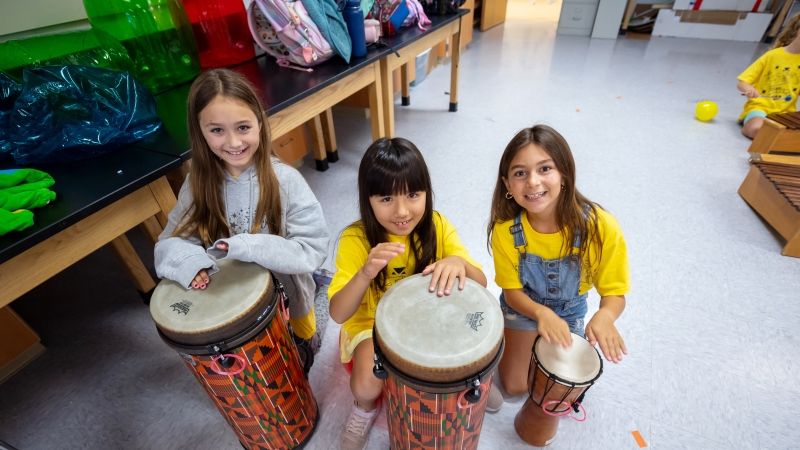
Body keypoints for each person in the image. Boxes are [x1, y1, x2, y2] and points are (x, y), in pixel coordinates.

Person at [154, 69, 328, 367]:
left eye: (243, 127)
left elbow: (312, 249)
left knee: (304, 343)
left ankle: (322, 290)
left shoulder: (286, 180)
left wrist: (248, 246)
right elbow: (170, 241)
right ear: (199, 131)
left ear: (260, 123)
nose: (233, 142)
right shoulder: (197, 181)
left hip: (290, 293)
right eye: (217, 130)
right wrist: (189, 263)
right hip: (232, 293)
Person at [328, 137, 489, 450]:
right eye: (386, 198)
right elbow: (337, 313)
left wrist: (458, 262)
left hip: (429, 318)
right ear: (367, 200)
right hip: (371, 325)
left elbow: (480, 284)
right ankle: (363, 410)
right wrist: (364, 273)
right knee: (365, 384)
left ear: (426, 192)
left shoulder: (437, 225)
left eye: (413, 194)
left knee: (472, 348)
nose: (402, 211)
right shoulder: (355, 239)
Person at [487, 125, 630, 405]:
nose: (532, 182)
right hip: (523, 307)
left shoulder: (602, 227)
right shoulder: (505, 231)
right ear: (507, 184)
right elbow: (512, 292)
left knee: (557, 384)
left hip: (570, 310)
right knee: (516, 387)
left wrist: (605, 317)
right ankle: (498, 353)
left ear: (564, 173)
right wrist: (541, 314)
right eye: (520, 173)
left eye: (544, 169)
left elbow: (615, 292)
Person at [737, 13, 800, 139]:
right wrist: (749, 89)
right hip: (760, 108)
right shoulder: (773, 55)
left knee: (787, 138)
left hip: (787, 113)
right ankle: (747, 127)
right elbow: (742, 82)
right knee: (757, 130)